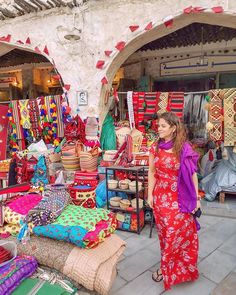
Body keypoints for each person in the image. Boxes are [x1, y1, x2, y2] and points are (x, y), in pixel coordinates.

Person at [148, 112, 201, 290]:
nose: (159, 128)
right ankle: (168, 266)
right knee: (165, 236)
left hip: (180, 199)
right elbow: (151, 172)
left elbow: (192, 174)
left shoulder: (183, 148)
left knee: (179, 235)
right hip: (160, 199)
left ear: (172, 128)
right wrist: (149, 195)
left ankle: (175, 269)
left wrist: (197, 199)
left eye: (163, 126)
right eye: (158, 125)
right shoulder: (155, 148)